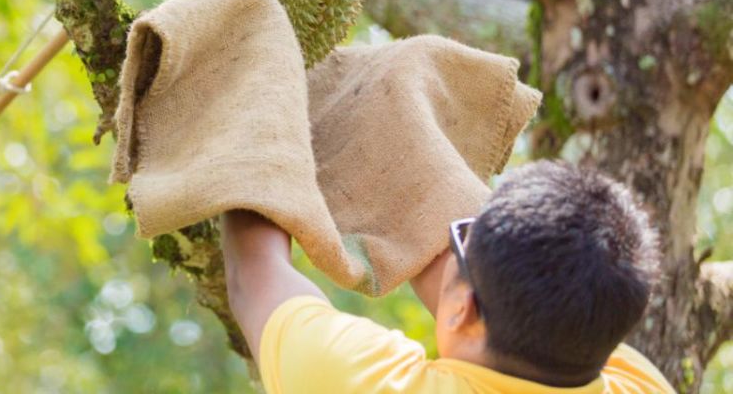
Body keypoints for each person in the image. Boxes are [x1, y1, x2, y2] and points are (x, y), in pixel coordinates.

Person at [221, 160, 676, 393]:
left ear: (464, 308)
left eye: (462, 240)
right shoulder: (638, 381)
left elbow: (254, 276)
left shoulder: (365, 381)